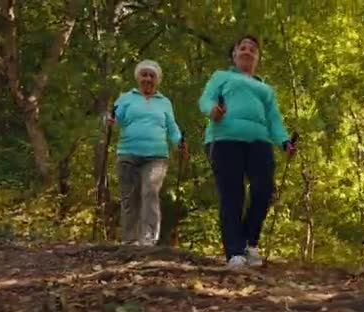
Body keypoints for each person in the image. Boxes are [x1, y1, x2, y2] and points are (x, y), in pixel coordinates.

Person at [198, 35, 296, 268]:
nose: (247, 51)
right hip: (224, 139)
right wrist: (212, 110)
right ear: (234, 55)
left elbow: (274, 120)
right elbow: (206, 98)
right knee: (232, 195)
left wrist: (284, 142)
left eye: (252, 49)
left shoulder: (265, 89)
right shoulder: (222, 76)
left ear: (257, 58)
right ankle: (234, 252)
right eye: (242, 48)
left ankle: (249, 243)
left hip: (259, 142)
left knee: (264, 190)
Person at [107, 59, 187, 246]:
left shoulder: (164, 102)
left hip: (156, 155)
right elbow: (113, 118)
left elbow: (172, 127)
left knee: (150, 192)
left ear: (157, 80)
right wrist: (109, 121)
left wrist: (179, 141)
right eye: (144, 75)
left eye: (152, 76)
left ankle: (149, 240)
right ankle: (130, 240)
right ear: (138, 77)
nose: (148, 79)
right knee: (129, 197)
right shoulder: (127, 98)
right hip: (128, 153)